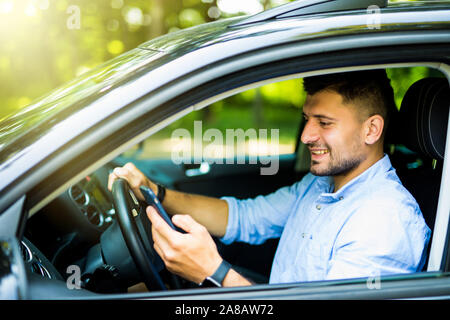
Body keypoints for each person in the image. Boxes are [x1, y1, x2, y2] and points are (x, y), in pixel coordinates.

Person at [108, 70, 431, 288]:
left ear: (371, 129)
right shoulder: (319, 186)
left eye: (324, 122)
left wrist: (214, 274)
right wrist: (155, 191)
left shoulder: (385, 220)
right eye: (307, 120)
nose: (306, 135)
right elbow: (243, 217)